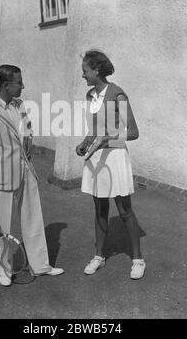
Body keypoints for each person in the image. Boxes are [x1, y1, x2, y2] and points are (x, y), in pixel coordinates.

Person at [0, 64, 64, 286]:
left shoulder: (20, 104)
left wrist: (29, 140)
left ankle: (41, 265)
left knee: (34, 218)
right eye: (19, 82)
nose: (23, 86)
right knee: (2, 226)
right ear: (6, 85)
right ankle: (4, 270)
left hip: (26, 171)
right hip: (2, 176)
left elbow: (26, 130)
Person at [76, 50, 146, 279]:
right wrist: (85, 143)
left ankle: (137, 259)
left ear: (97, 70)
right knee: (99, 209)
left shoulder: (117, 95)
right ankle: (99, 256)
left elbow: (133, 132)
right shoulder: (90, 96)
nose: (83, 75)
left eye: (85, 71)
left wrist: (109, 138)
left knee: (124, 210)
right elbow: (95, 130)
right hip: (96, 159)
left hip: (115, 158)